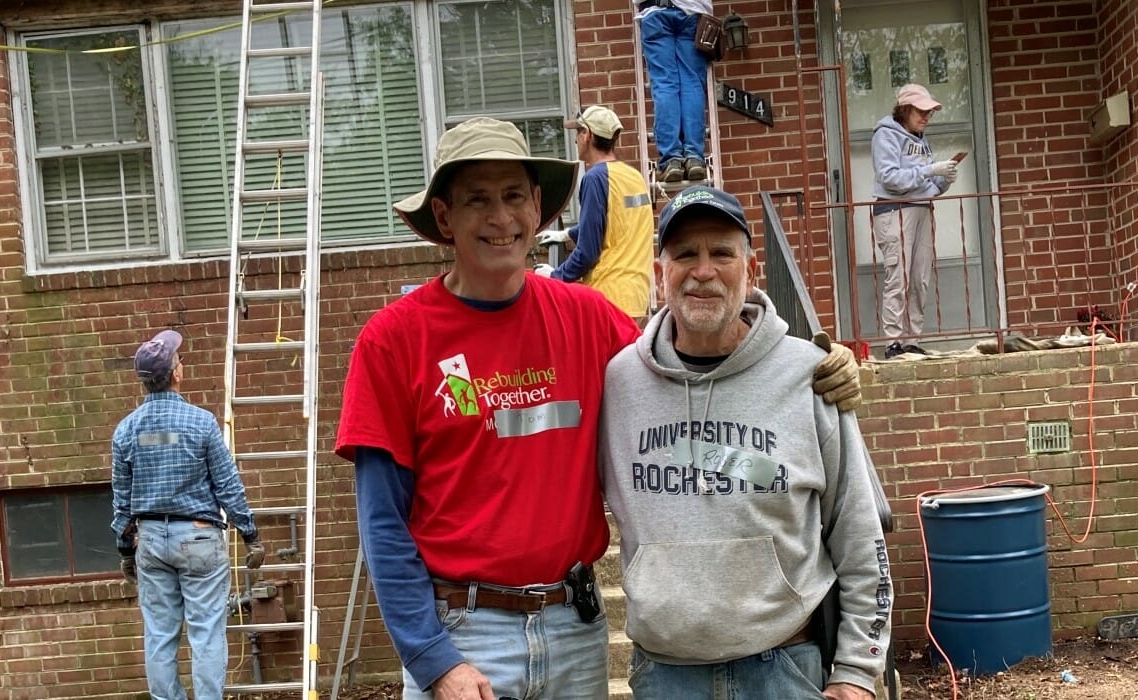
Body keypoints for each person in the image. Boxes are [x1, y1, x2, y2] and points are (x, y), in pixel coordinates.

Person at [334, 118, 863, 700]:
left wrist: (807, 358)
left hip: (573, 630)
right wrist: (434, 661)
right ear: (443, 218)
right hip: (465, 636)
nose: (500, 218)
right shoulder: (392, 342)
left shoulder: (588, 320)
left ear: (538, 207)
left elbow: (689, 350)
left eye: (514, 196)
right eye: (477, 200)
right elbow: (382, 522)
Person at [599, 185, 891, 700]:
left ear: (750, 270)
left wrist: (857, 672)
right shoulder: (619, 384)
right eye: (685, 254)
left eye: (721, 254)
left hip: (786, 669)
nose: (703, 270)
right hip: (666, 679)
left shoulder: (808, 375)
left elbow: (861, 535)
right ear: (658, 272)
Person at [111, 329, 265, 700]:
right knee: (206, 633)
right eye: (180, 360)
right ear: (175, 374)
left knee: (160, 635)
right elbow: (228, 484)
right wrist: (249, 533)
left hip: (149, 539)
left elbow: (121, 500)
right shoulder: (201, 423)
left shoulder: (126, 431)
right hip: (198, 537)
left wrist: (124, 549)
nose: (182, 364)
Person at [533, 105, 655, 322]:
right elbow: (616, 225)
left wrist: (554, 276)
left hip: (608, 298)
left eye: (578, 133)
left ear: (587, 135)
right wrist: (567, 234)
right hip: (636, 296)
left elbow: (588, 252)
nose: (575, 140)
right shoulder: (633, 176)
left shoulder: (594, 179)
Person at [870, 83, 958, 360]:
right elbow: (890, 178)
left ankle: (912, 339)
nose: (926, 117)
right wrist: (930, 170)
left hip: (922, 210)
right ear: (905, 110)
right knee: (899, 278)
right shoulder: (885, 135)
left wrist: (944, 179)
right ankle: (893, 342)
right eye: (921, 111)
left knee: (920, 278)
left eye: (929, 113)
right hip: (894, 211)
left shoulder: (921, 140)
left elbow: (927, 184)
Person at [635, 0, 711, 183]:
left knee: (665, 84)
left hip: (656, 12)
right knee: (692, 83)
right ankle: (693, 158)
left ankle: (672, 159)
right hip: (692, 11)